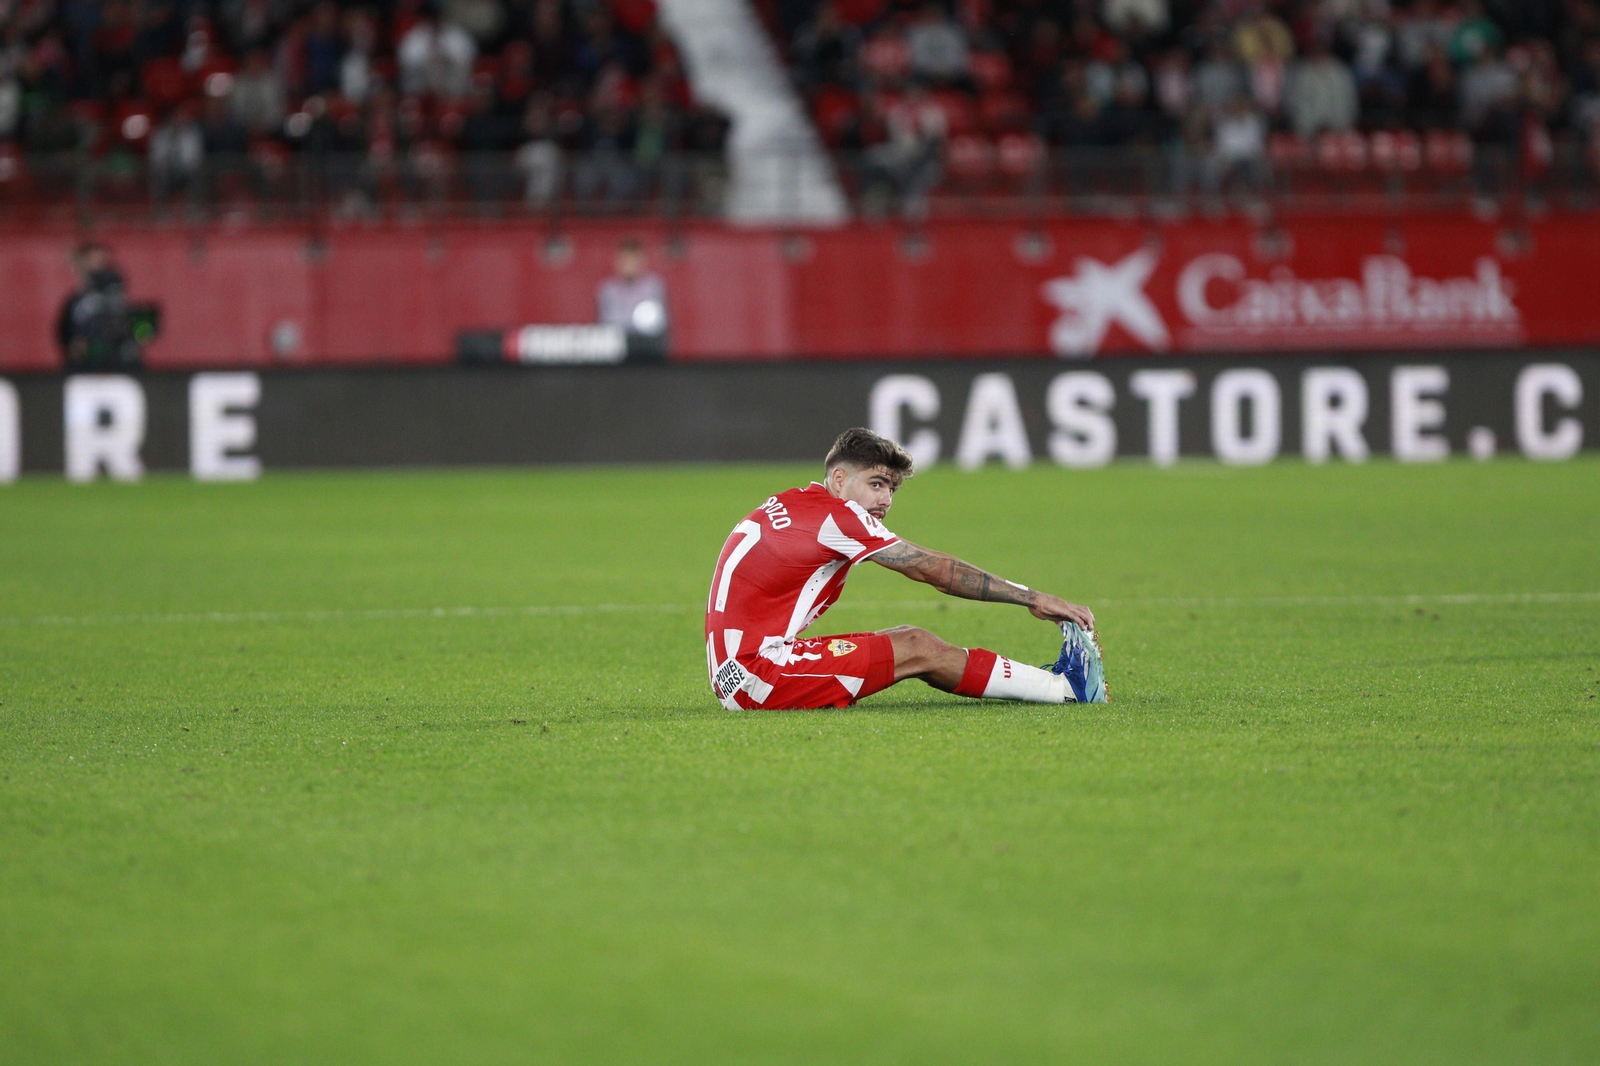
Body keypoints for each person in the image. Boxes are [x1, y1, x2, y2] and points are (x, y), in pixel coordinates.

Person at [705, 428, 1107, 711]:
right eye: (877, 484)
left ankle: (1053, 683)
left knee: (906, 639)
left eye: (892, 489)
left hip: (739, 670)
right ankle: (1064, 689)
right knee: (917, 648)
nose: (886, 499)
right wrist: (1031, 598)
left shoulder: (794, 501)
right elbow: (933, 570)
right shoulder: (839, 518)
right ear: (840, 479)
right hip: (759, 677)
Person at [56, 242, 142, 370]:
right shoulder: (75, 302)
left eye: (102, 260)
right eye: (93, 260)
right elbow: (66, 335)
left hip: (116, 365)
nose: (99, 265)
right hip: (85, 368)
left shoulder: (114, 294)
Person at [596, 237, 667, 337]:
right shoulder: (608, 289)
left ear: (642, 261)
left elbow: (658, 324)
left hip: (647, 344)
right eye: (625, 260)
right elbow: (607, 324)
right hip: (617, 344)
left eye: (632, 260)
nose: (628, 265)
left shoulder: (652, 286)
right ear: (617, 262)